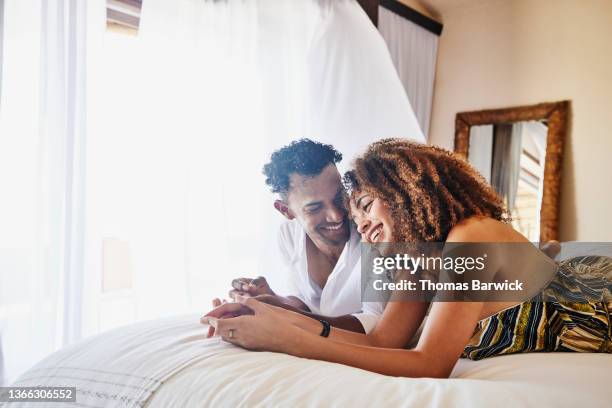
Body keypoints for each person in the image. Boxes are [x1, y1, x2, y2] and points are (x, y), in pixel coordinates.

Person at [202, 138, 611, 378]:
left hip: (594, 303)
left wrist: (290, 341)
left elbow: (429, 363)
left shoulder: (471, 238)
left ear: (406, 191)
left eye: (363, 204)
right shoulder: (418, 259)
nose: (357, 225)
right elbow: (382, 341)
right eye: (355, 212)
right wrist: (268, 315)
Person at [208, 139, 382, 336]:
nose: (337, 215)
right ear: (286, 210)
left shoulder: (375, 235)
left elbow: (376, 323)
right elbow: (307, 304)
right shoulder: (289, 234)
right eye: (315, 208)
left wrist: (283, 313)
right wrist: (270, 299)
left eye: (338, 197)